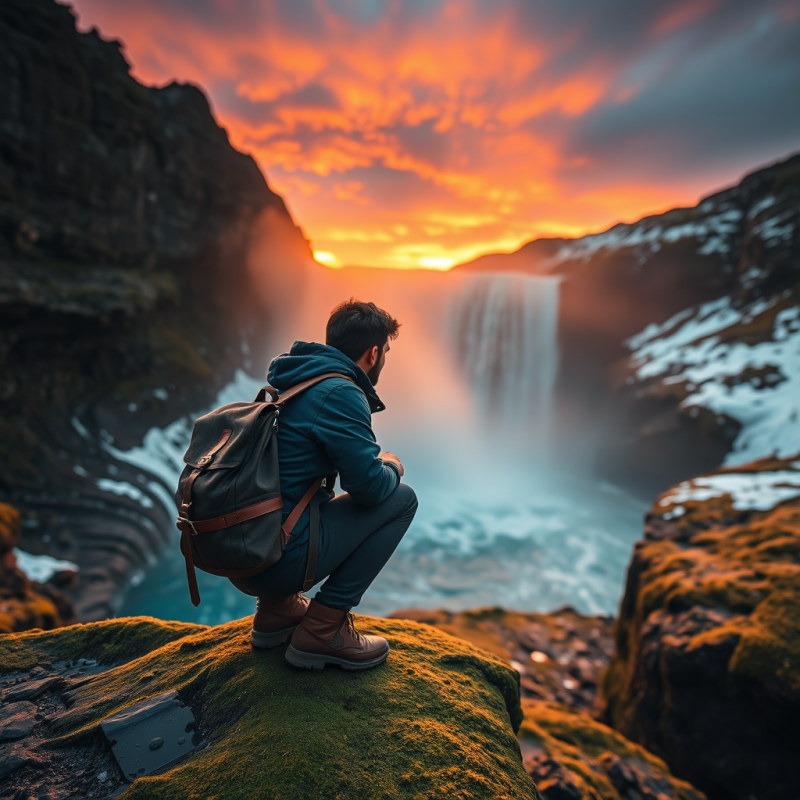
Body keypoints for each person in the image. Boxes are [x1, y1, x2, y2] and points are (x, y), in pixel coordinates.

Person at [230, 299, 418, 671]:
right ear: (374, 352)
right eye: (386, 353)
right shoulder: (341, 392)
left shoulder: (294, 380)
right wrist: (392, 466)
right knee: (402, 499)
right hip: (276, 562)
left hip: (244, 556)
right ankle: (322, 630)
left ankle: (277, 612)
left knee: (299, 494)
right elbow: (370, 489)